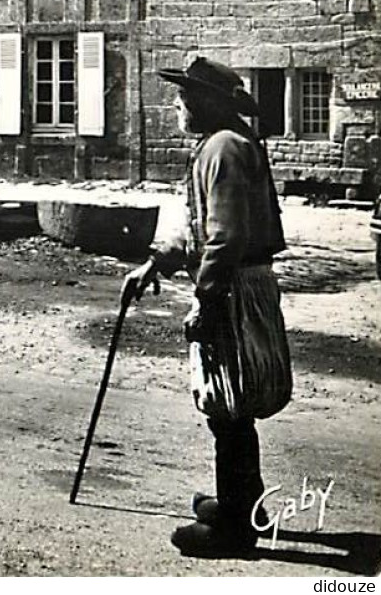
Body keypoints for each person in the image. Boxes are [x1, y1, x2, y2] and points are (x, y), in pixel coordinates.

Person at [123, 56, 292, 558]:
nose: (177, 107)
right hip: (234, 280)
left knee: (229, 405)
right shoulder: (222, 144)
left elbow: (225, 237)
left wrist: (207, 298)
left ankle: (235, 530)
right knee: (228, 404)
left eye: (183, 98)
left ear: (203, 103)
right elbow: (200, 227)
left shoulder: (223, 148)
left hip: (234, 285)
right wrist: (155, 264)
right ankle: (244, 504)